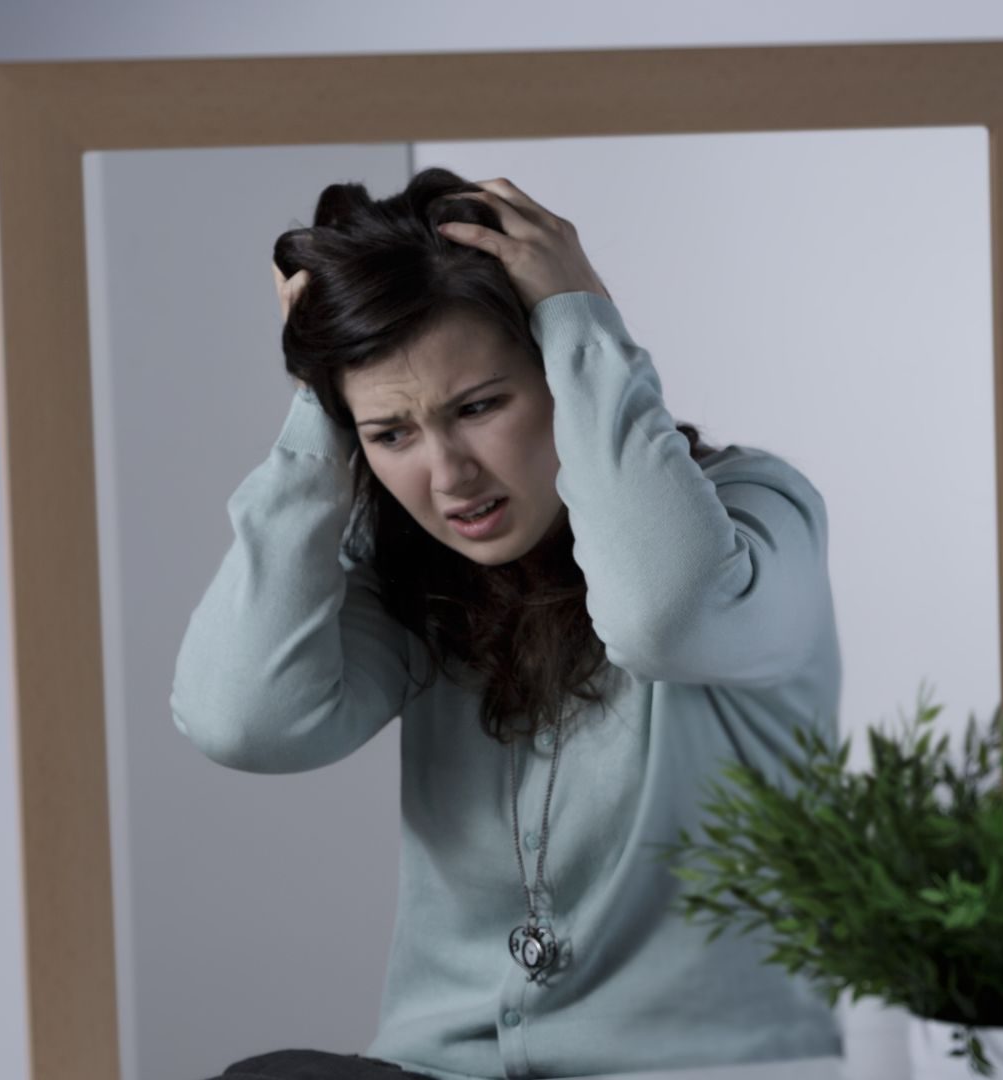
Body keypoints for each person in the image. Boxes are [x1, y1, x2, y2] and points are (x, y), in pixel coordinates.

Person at [171, 168, 842, 1079]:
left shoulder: (756, 519)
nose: (448, 476)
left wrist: (579, 314)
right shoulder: (417, 582)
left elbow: (663, 618)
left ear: (561, 370)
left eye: (479, 407)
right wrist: (323, 398)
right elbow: (240, 717)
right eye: (393, 434)